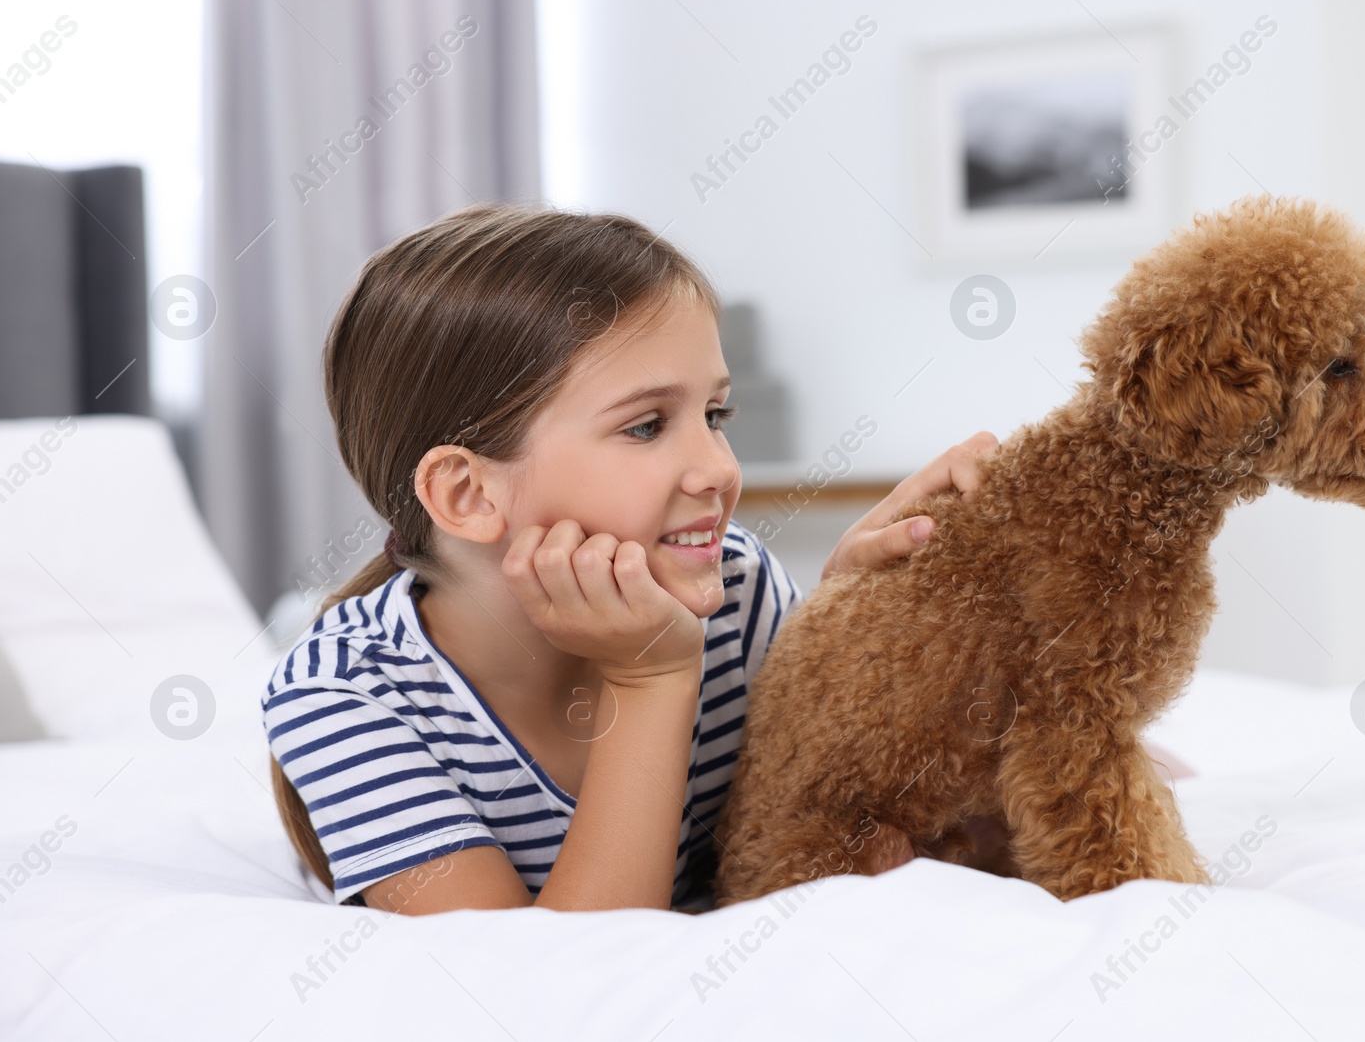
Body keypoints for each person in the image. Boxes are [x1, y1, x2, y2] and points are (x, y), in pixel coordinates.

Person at [263, 203, 998, 915]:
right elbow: (552, 989)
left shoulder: (735, 591)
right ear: (468, 494)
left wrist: (847, 628)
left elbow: (839, 807)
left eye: (716, 415)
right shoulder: (344, 693)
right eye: (646, 425)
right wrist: (650, 678)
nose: (716, 468)